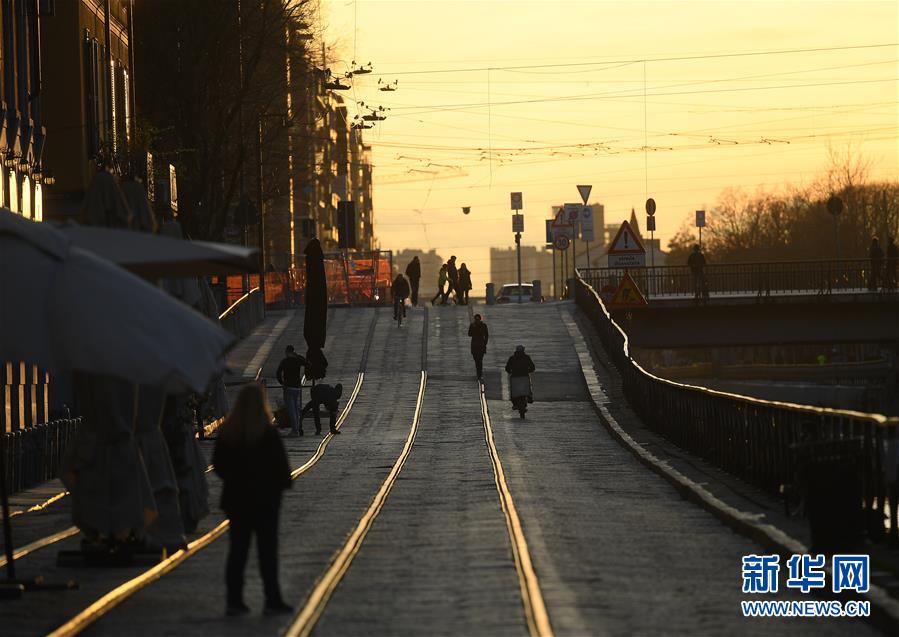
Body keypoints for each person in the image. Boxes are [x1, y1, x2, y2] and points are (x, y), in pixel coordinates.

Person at [212, 383, 292, 616]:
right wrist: (279, 485)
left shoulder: (228, 433)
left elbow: (218, 464)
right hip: (266, 502)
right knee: (267, 552)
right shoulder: (268, 433)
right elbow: (281, 467)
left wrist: (234, 481)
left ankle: (234, 601)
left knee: (238, 550)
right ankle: (272, 599)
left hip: (237, 501)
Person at [276, 345, 305, 437]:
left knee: (292, 410)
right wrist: (297, 356)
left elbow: (278, 373)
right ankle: (296, 429)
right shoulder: (297, 360)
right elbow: (307, 363)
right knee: (296, 409)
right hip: (297, 387)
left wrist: (282, 382)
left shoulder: (285, 361)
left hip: (288, 388)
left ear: (287, 352)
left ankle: (295, 430)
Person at [505, 345, 535, 418]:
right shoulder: (526, 357)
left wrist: (510, 372)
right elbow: (532, 367)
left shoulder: (512, 358)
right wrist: (528, 371)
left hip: (515, 377)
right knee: (527, 389)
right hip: (524, 376)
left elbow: (507, 368)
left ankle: (516, 404)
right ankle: (529, 398)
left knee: (514, 392)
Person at [468, 313, 489, 380]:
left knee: (480, 360)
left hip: (480, 345)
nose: (476, 320)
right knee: (476, 360)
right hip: (475, 345)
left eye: (477, 319)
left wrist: (485, 343)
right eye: (476, 319)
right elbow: (469, 334)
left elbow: (486, 335)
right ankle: (479, 372)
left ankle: (479, 373)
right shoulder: (472, 325)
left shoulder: (483, 325)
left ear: (480, 319)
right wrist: (473, 328)